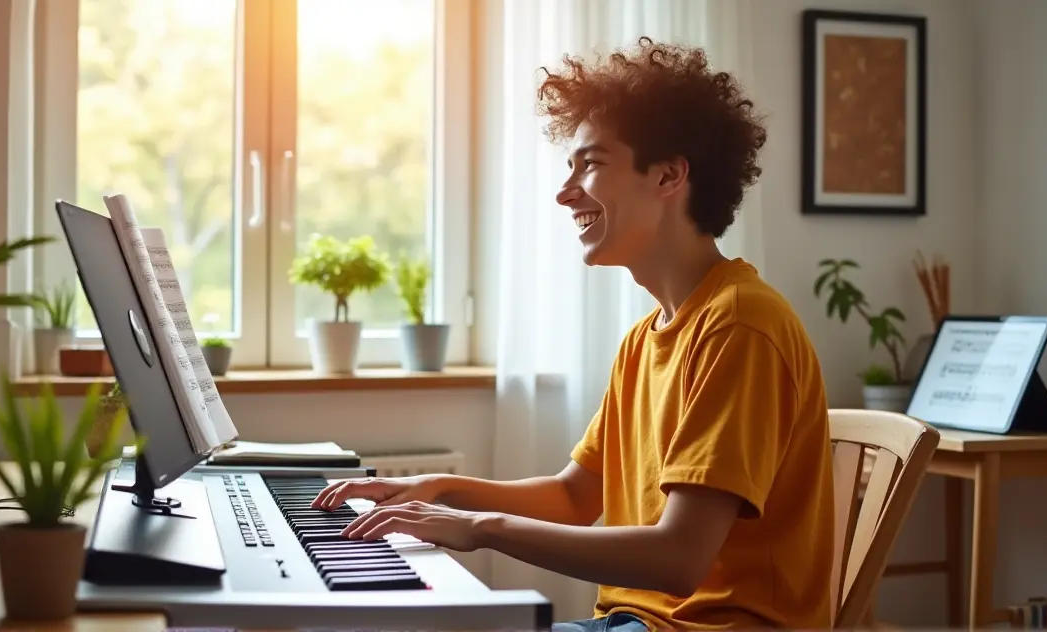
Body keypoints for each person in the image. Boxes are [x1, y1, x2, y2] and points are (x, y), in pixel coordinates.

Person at [312, 37, 836, 630]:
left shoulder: (740, 327)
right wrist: (439, 489)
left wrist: (482, 529)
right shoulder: (647, 338)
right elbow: (574, 498)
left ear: (668, 176)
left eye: (590, 163)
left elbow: (679, 558)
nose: (566, 193)